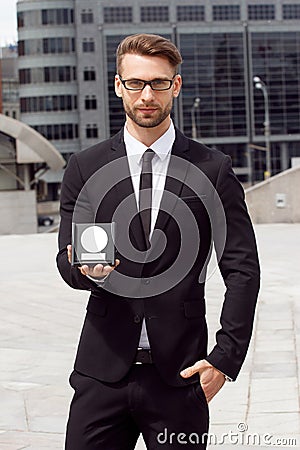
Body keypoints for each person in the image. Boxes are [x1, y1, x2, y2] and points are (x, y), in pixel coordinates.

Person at [57, 33, 260, 450]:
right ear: (118, 85)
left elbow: (242, 269)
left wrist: (225, 359)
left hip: (180, 376)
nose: (146, 95)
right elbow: (66, 261)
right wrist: (83, 268)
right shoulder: (85, 167)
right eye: (135, 83)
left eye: (158, 83)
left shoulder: (213, 169)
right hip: (101, 372)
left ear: (176, 86)